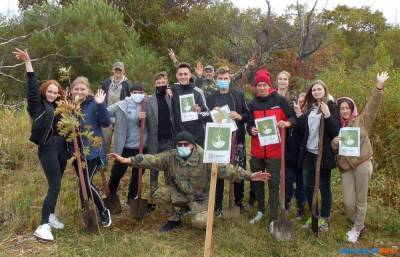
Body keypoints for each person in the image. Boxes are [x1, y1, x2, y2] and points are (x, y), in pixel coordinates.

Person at [108, 131, 270, 232]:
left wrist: (250, 176)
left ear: (192, 145)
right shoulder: (171, 156)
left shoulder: (205, 157)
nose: (183, 146)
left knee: (200, 224)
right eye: (180, 144)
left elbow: (227, 169)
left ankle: (201, 213)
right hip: (180, 193)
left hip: (200, 198)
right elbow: (150, 160)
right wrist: (126, 160)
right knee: (158, 195)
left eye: (186, 144)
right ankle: (175, 218)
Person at [14, 48, 68, 241]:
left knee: (58, 184)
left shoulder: (60, 107)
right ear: (44, 91)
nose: (52, 94)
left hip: (62, 150)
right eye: (50, 91)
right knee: (54, 186)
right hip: (47, 149)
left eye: (56, 92)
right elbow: (31, 85)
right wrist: (28, 63)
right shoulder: (37, 104)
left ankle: (51, 216)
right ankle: (43, 225)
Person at [331, 72, 389, 243]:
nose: (344, 110)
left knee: (360, 199)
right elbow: (333, 148)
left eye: (347, 107)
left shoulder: (361, 121)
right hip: (346, 167)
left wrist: (378, 87)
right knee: (349, 202)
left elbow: (372, 107)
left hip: (362, 164)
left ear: (352, 108)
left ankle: (357, 228)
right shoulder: (336, 125)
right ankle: (359, 222)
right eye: (341, 108)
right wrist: (334, 142)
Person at [246, 68, 296, 227]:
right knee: (258, 182)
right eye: (258, 85)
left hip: (274, 151)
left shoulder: (279, 101)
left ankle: (273, 217)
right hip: (257, 151)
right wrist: (251, 130)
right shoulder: (253, 104)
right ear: (255, 87)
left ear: (269, 86)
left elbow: (294, 118)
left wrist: (287, 123)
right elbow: (249, 124)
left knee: (274, 183)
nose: (261, 87)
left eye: (264, 84)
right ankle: (261, 210)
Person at [296, 80, 340, 232]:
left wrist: (327, 116)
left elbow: (335, 132)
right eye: (314, 90)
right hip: (309, 152)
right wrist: (299, 115)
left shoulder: (332, 107)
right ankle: (314, 215)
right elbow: (303, 130)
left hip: (324, 154)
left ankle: (325, 218)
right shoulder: (311, 107)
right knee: (307, 185)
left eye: (319, 89)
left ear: (324, 90)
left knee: (324, 186)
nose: (316, 92)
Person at [206, 66, 249, 215]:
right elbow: (206, 117)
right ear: (216, 80)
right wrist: (213, 114)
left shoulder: (239, 95)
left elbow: (248, 114)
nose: (223, 81)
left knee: (237, 171)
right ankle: (217, 204)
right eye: (220, 79)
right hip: (218, 139)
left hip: (237, 139)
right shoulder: (211, 97)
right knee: (218, 171)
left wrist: (239, 116)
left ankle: (238, 202)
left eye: (226, 79)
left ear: (230, 79)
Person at [70, 76, 112, 227]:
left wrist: (101, 105)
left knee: (86, 183)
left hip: (93, 150)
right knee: (83, 183)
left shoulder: (94, 103)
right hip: (76, 151)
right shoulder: (68, 106)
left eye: (83, 89)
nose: (79, 92)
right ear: (72, 90)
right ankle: (87, 212)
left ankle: (103, 211)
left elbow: (105, 122)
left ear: (88, 90)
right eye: (76, 89)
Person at [105, 83, 149, 206]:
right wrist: (97, 103)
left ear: (145, 94)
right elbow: (105, 113)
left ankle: (131, 201)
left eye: (141, 92)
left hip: (141, 147)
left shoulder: (148, 104)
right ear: (130, 94)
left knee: (137, 176)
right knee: (116, 174)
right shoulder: (122, 105)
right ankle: (111, 196)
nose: (138, 95)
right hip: (124, 147)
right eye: (135, 92)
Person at [276, 71, 307, 218]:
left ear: (288, 82)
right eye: (280, 79)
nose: (282, 81)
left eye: (285, 79)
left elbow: (295, 117)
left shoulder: (293, 99)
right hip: (276, 139)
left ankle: (298, 207)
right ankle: (283, 203)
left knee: (296, 180)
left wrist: (289, 123)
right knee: (283, 178)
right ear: (277, 81)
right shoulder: (271, 96)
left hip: (292, 142)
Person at [146, 72, 175, 199]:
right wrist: (140, 119)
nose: (161, 85)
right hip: (155, 140)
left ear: (167, 83)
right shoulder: (149, 100)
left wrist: (171, 93)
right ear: (154, 84)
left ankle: (169, 195)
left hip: (169, 139)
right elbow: (142, 122)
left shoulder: (171, 97)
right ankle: (153, 196)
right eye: (158, 83)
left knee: (169, 169)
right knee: (154, 169)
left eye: (163, 83)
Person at [170, 62, 209, 146]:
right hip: (179, 137)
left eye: (185, 74)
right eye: (180, 74)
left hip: (196, 138)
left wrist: (198, 113)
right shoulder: (173, 89)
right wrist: (167, 89)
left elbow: (207, 113)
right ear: (176, 76)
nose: (183, 77)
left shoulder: (198, 92)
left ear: (190, 75)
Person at [101, 61, 133, 159]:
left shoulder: (128, 84)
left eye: (120, 70)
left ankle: (118, 161)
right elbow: (101, 97)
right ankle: (103, 162)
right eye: (116, 70)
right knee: (105, 140)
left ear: (123, 71)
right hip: (107, 116)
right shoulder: (106, 82)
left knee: (119, 142)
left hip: (121, 117)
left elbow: (131, 100)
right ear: (113, 70)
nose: (118, 72)